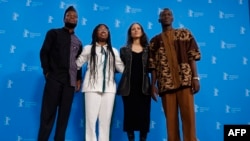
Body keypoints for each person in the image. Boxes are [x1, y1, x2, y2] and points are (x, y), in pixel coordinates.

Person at [148, 8, 201, 141]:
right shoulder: (154, 41)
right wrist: (153, 84)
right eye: (163, 15)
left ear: (173, 18)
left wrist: (195, 77)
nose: (166, 16)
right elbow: (152, 65)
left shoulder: (184, 33)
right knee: (170, 122)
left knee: (189, 118)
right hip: (165, 85)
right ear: (159, 20)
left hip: (185, 81)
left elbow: (192, 56)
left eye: (169, 14)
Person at [38, 6, 82, 141]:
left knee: (63, 118)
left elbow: (78, 63)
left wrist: (78, 79)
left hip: (69, 83)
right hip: (54, 80)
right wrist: (47, 72)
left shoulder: (78, 42)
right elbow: (44, 52)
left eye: (75, 16)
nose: (72, 18)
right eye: (69, 15)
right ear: (64, 18)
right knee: (47, 116)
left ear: (77, 21)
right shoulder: (53, 33)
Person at [76, 24, 124, 141]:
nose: (103, 31)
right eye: (100, 29)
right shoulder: (88, 48)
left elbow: (121, 68)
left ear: (108, 34)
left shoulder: (113, 51)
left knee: (106, 122)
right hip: (91, 88)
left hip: (109, 90)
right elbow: (76, 64)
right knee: (90, 121)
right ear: (95, 33)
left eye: (105, 29)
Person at [118, 23, 151, 141]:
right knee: (129, 116)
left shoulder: (149, 49)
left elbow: (154, 68)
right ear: (130, 33)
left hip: (144, 87)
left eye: (138, 28)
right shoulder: (123, 50)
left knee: (144, 117)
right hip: (128, 88)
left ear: (142, 32)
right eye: (133, 29)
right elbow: (117, 67)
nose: (136, 30)